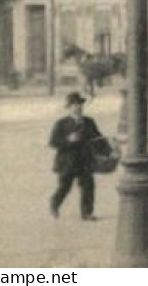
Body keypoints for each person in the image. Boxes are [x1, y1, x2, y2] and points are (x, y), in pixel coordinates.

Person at [48, 92, 104, 221]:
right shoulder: (61, 123)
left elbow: (98, 140)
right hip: (68, 162)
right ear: (68, 107)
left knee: (88, 186)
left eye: (80, 104)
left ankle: (87, 213)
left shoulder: (89, 122)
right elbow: (53, 142)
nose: (78, 107)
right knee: (65, 186)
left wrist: (109, 151)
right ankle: (54, 204)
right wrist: (69, 140)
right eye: (74, 105)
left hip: (85, 161)